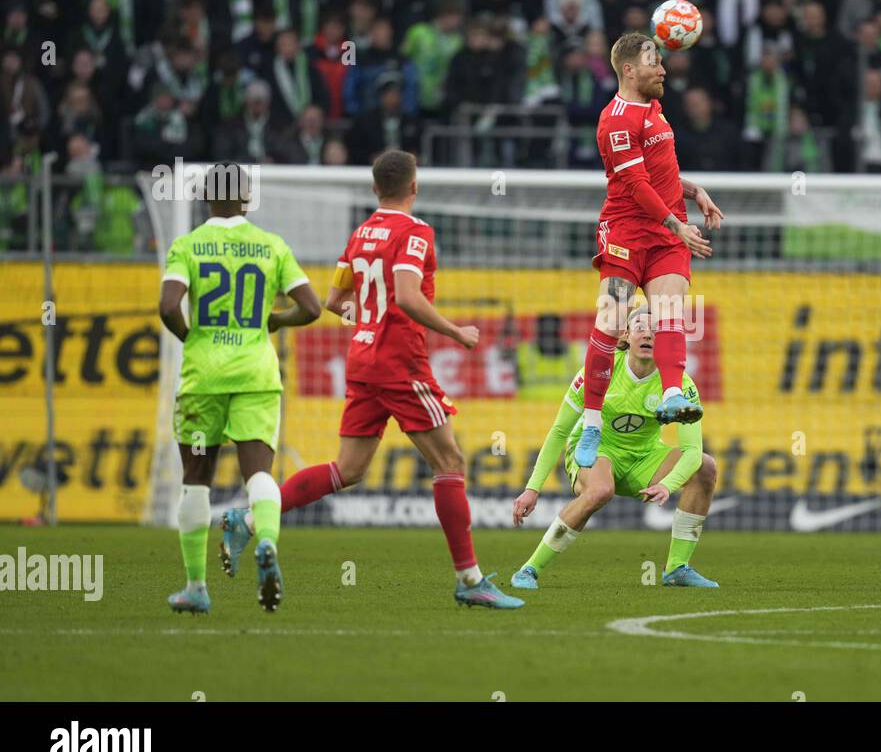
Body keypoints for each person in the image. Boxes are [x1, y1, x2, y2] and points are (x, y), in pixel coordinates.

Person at [221, 150, 524, 609]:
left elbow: (332, 301)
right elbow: (405, 294)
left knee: (349, 470)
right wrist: (455, 331)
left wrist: (367, 318)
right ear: (414, 186)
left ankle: (247, 519)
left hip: (362, 359)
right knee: (451, 462)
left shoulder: (361, 234)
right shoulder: (416, 231)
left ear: (375, 188)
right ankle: (469, 579)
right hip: (399, 363)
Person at [158, 163, 322, 614]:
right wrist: (275, 320)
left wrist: (191, 337)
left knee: (196, 482)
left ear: (206, 199)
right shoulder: (271, 246)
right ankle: (266, 542)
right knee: (259, 475)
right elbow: (311, 307)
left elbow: (168, 305)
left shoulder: (188, 245)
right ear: (246, 200)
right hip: (255, 374)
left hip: (202, 378)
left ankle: (196, 588)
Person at [577, 33, 726, 469]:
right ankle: (590, 421)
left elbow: (659, 174)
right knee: (612, 321)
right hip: (626, 231)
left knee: (671, 314)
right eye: (654, 62)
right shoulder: (615, 120)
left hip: (664, 234)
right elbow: (637, 186)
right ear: (628, 70)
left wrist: (694, 190)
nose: (663, 69)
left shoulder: (655, 110)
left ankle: (672, 394)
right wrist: (678, 224)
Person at [511, 306, 720, 589]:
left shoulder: (679, 383)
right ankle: (528, 569)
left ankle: (677, 568)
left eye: (656, 331)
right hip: (595, 449)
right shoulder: (599, 370)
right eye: (641, 328)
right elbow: (560, 430)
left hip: (643, 456)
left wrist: (668, 485)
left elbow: (692, 451)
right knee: (600, 490)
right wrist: (532, 488)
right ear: (626, 335)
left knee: (706, 467)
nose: (648, 335)